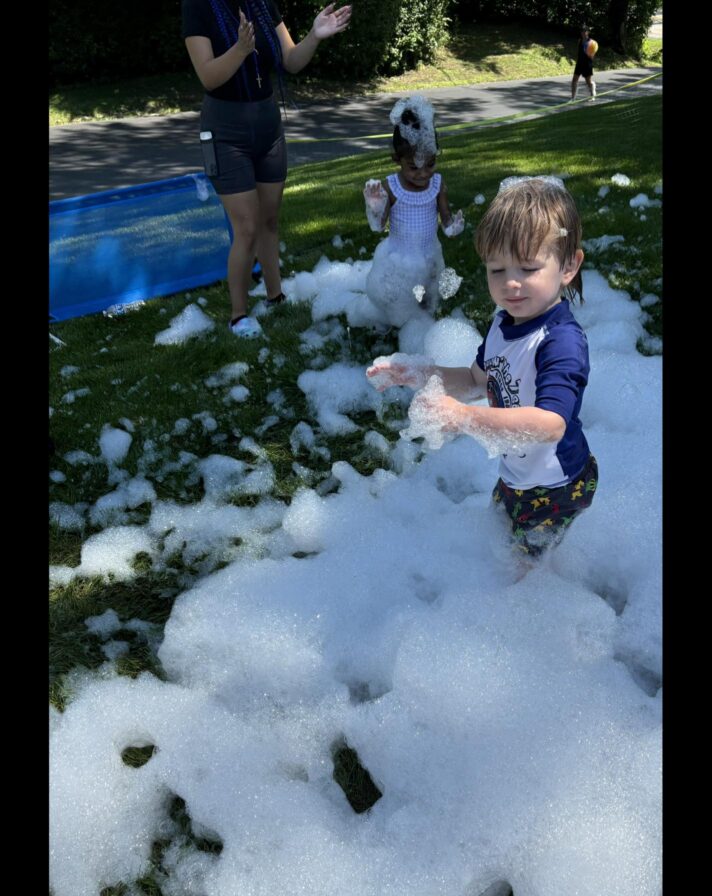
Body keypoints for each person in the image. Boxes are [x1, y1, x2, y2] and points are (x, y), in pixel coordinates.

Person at [367, 176, 598, 559]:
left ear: (569, 266)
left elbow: (550, 424)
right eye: (497, 270)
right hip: (517, 472)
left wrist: (462, 418)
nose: (511, 284)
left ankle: (540, 593)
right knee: (498, 533)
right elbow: (476, 380)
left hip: (557, 483)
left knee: (524, 565)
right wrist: (421, 373)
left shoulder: (560, 341)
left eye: (528, 268)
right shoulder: (503, 323)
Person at [182, 1, 352, 338]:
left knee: (269, 220)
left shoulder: (261, 3)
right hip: (225, 133)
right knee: (246, 227)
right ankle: (238, 315)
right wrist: (240, 49)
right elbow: (209, 76)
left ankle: (275, 297)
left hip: (268, 128)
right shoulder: (197, 6)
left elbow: (290, 60)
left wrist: (314, 36)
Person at [362, 96, 464, 327]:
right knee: (399, 300)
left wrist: (453, 228)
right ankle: (397, 322)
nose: (423, 173)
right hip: (399, 260)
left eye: (430, 164)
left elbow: (445, 220)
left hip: (429, 256)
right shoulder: (391, 187)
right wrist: (376, 207)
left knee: (427, 299)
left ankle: (424, 323)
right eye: (413, 167)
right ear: (398, 159)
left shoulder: (437, 184)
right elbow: (379, 226)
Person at [571, 25, 596, 101]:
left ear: (587, 32)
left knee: (588, 82)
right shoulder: (580, 41)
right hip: (579, 63)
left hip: (587, 64)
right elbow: (578, 52)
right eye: (581, 31)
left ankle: (592, 94)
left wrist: (589, 54)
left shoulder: (591, 43)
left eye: (584, 31)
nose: (582, 33)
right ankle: (573, 98)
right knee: (574, 80)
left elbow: (592, 56)